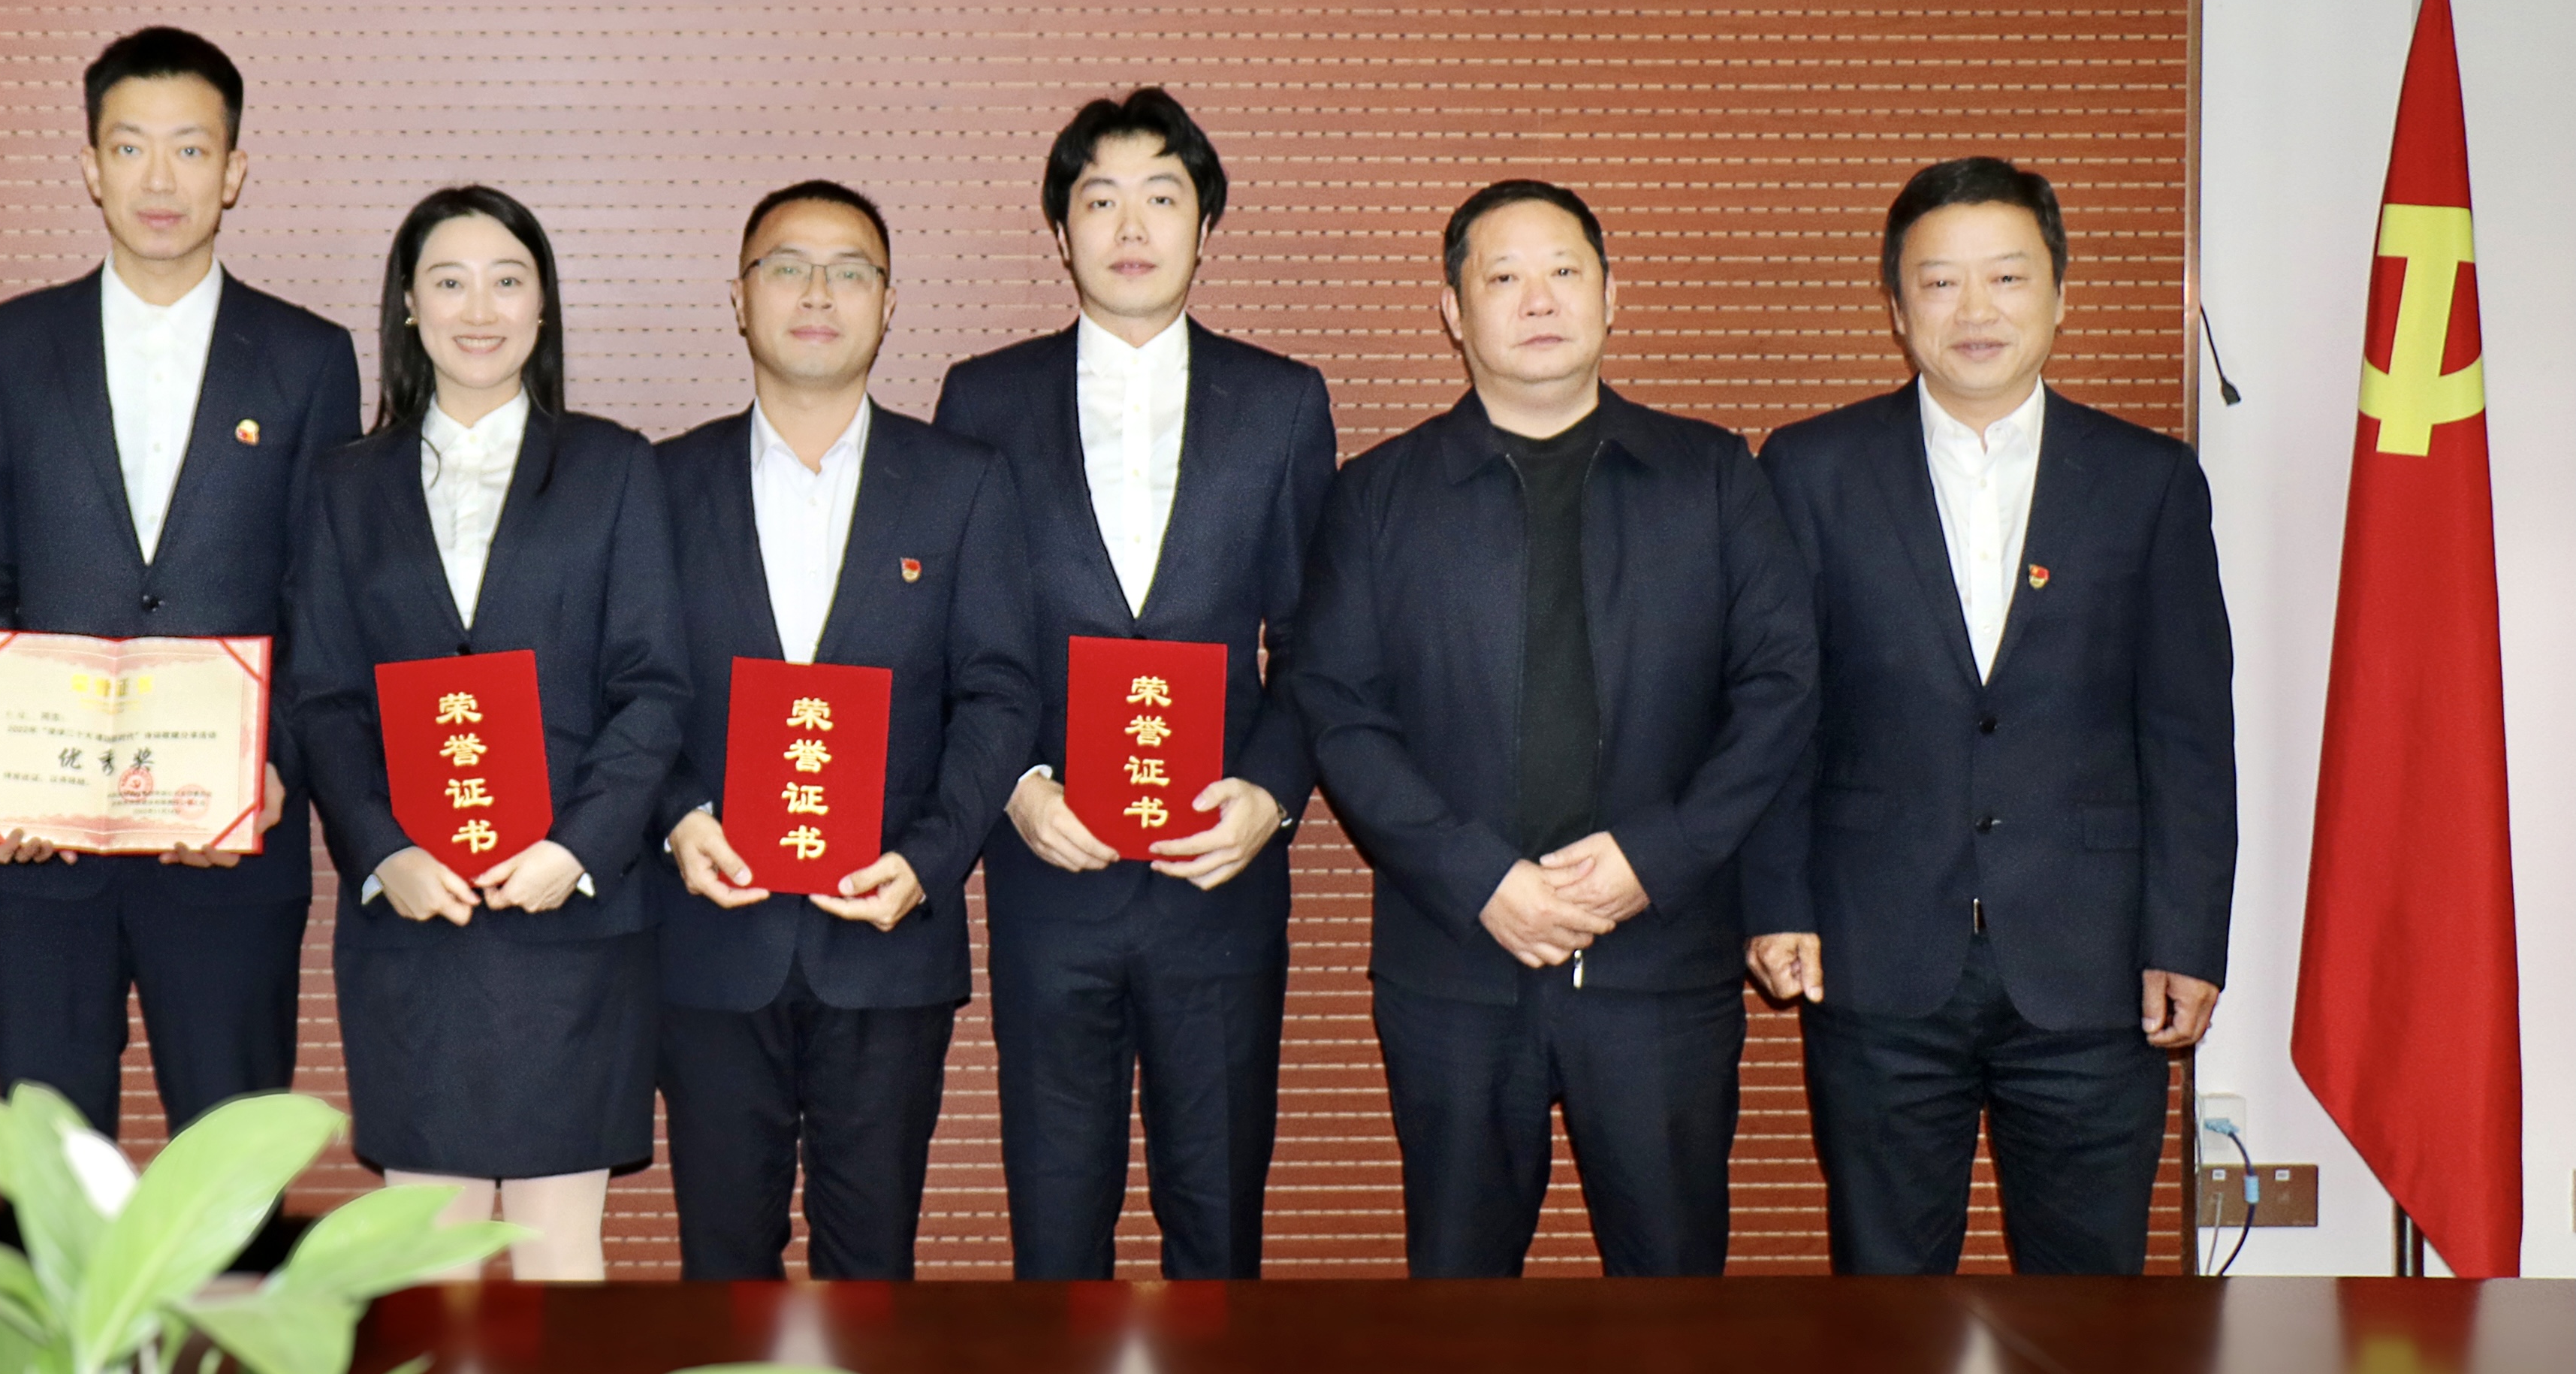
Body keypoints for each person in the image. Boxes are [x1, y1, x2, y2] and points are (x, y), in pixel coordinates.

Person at [1290, 180, 1815, 1279]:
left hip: (1661, 962)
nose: (1539, 299)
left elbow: (1777, 690)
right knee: (1458, 1303)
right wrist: (1479, 876)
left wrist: (1653, 859)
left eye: (1565, 271)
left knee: (1675, 1301)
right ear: (1453, 310)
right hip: (1455, 966)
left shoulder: (1711, 475)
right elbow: (1338, 709)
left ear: (1611, 296)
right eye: (1504, 277)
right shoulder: (1377, 495)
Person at [1746, 158, 2234, 1275]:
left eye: (2007, 277)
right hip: (1873, 950)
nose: (1974, 310)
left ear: (2059, 295)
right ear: (1896, 306)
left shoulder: (2148, 481)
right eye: (1940, 282)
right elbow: (1777, 713)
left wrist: (2185, 937)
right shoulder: (1811, 470)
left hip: (2091, 963)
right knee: (1886, 1300)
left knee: (2089, 1312)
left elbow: (2188, 732)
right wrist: (1775, 900)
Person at [933, 89, 1336, 1280]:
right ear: (1059, 230)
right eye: (1098, 198)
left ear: (1204, 224)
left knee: (1217, 1210)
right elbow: (954, 638)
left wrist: (1269, 797)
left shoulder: (1281, 401)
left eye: (1161, 196)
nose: (1130, 225)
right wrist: (1012, 787)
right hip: (1048, 863)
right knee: (1056, 1212)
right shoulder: (982, 399)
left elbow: (1315, 642)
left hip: (1218, 869)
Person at [0, 27, 360, 1152]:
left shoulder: (308, 357)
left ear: (234, 170)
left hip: (228, 847)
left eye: (190, 148)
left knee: (230, 1172)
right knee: (53, 1176)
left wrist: (271, 769)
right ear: (90, 167)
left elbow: (321, 595)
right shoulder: (11, 345)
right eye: (130, 147)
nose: (159, 179)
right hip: (40, 849)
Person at [288, 189, 690, 1279]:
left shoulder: (614, 466)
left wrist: (576, 848)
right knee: (432, 1263)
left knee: (560, 1253)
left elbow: (654, 686)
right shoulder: (342, 484)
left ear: (543, 306)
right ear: (407, 307)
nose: (480, 309)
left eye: (508, 281)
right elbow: (324, 696)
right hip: (415, 919)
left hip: (572, 918)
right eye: (449, 281)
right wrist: (384, 852)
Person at [653, 181, 1039, 1280]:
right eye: (787, 267)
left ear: (887, 303)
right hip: (712, 938)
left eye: (850, 271)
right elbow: (628, 688)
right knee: (721, 1267)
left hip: (885, 937)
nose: (817, 294)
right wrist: (676, 817)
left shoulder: (963, 484)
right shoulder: (662, 482)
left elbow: (999, 694)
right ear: (740, 299)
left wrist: (929, 860)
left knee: (871, 1272)